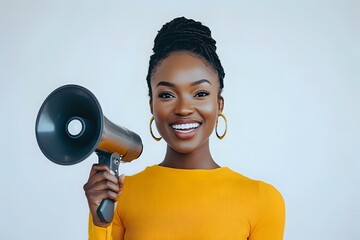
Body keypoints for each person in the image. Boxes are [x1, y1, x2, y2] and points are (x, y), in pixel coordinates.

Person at [84, 16, 285, 240]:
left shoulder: (263, 200)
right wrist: (100, 224)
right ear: (152, 105)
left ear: (219, 104)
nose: (183, 109)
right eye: (167, 95)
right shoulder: (118, 196)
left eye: (200, 94)